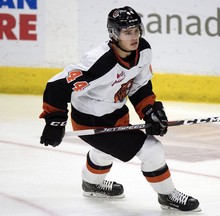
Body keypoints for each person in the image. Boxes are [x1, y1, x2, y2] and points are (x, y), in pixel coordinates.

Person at [39, 6, 200, 212]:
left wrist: (149, 111)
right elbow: (56, 85)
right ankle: (167, 195)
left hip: (115, 114)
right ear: (114, 34)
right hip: (90, 120)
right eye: (127, 32)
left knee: (105, 150)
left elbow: (139, 86)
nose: (134, 37)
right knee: (152, 150)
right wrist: (55, 120)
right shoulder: (99, 62)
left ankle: (92, 184)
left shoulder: (143, 50)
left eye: (136, 30)